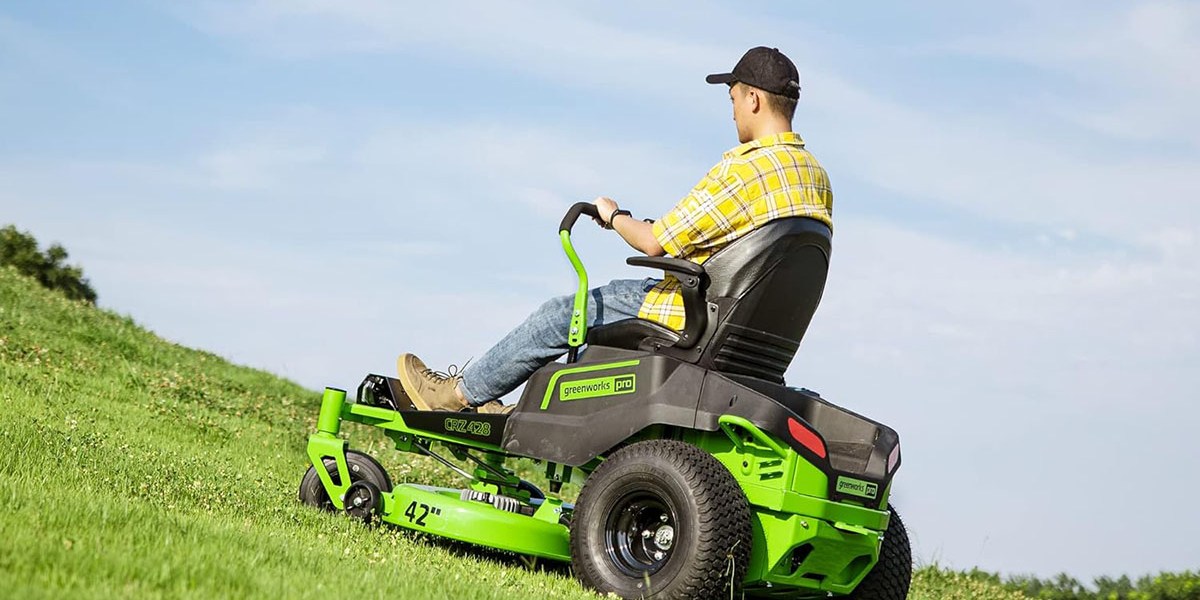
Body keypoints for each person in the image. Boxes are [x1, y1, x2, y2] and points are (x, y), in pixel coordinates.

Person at [398, 46, 833, 414]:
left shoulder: (745, 169)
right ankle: (508, 400)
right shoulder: (815, 178)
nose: (733, 110)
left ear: (754, 99)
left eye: (734, 98)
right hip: (752, 337)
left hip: (692, 316)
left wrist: (613, 215)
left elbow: (654, 241)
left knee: (560, 315)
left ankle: (455, 395)